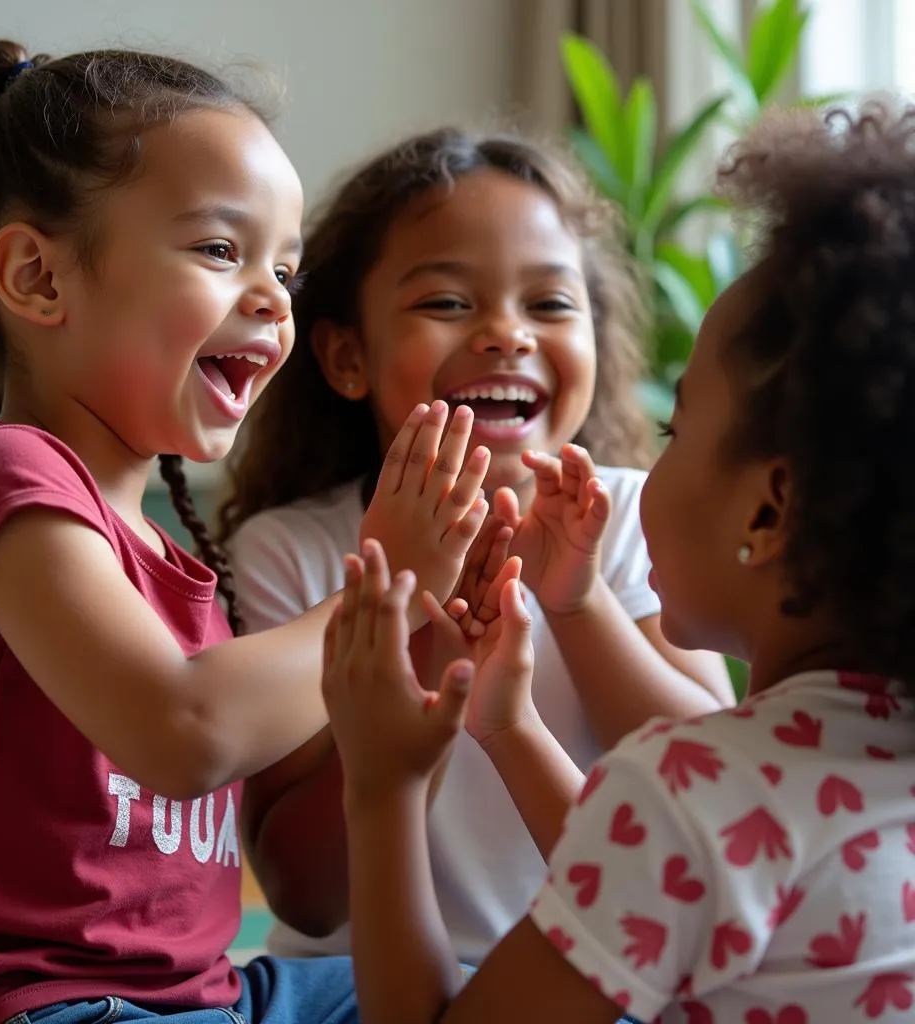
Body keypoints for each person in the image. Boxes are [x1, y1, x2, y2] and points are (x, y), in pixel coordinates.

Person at [0, 41, 493, 1024]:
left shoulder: (178, 559)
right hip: (41, 1006)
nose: (270, 297)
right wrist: (389, 586)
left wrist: (433, 634)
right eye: (220, 250)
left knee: (492, 996)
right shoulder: (0, 476)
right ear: (38, 277)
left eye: (285, 271)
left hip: (203, 997)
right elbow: (185, 729)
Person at [322, 102, 915, 1023]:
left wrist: (385, 787)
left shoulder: (692, 791)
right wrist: (512, 728)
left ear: (769, 509)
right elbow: (652, 886)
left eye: (677, 428)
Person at [218, 127, 735, 961]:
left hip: (595, 980)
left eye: (551, 304)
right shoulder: (292, 551)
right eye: (448, 303)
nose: (506, 334)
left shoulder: (634, 515)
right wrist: (419, 624)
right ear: (348, 355)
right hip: (349, 986)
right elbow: (308, 899)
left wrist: (578, 601)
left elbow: (717, 788)